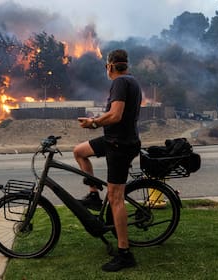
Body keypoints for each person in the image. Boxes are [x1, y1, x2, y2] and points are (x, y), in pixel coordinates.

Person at [74, 49, 142, 272]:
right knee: (79, 151)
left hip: (120, 146)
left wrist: (93, 123)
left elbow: (116, 115)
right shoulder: (131, 81)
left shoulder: (120, 83)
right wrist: (95, 122)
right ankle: (94, 195)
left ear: (110, 66)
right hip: (112, 139)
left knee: (115, 198)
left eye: (106, 66)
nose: (107, 69)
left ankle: (124, 253)